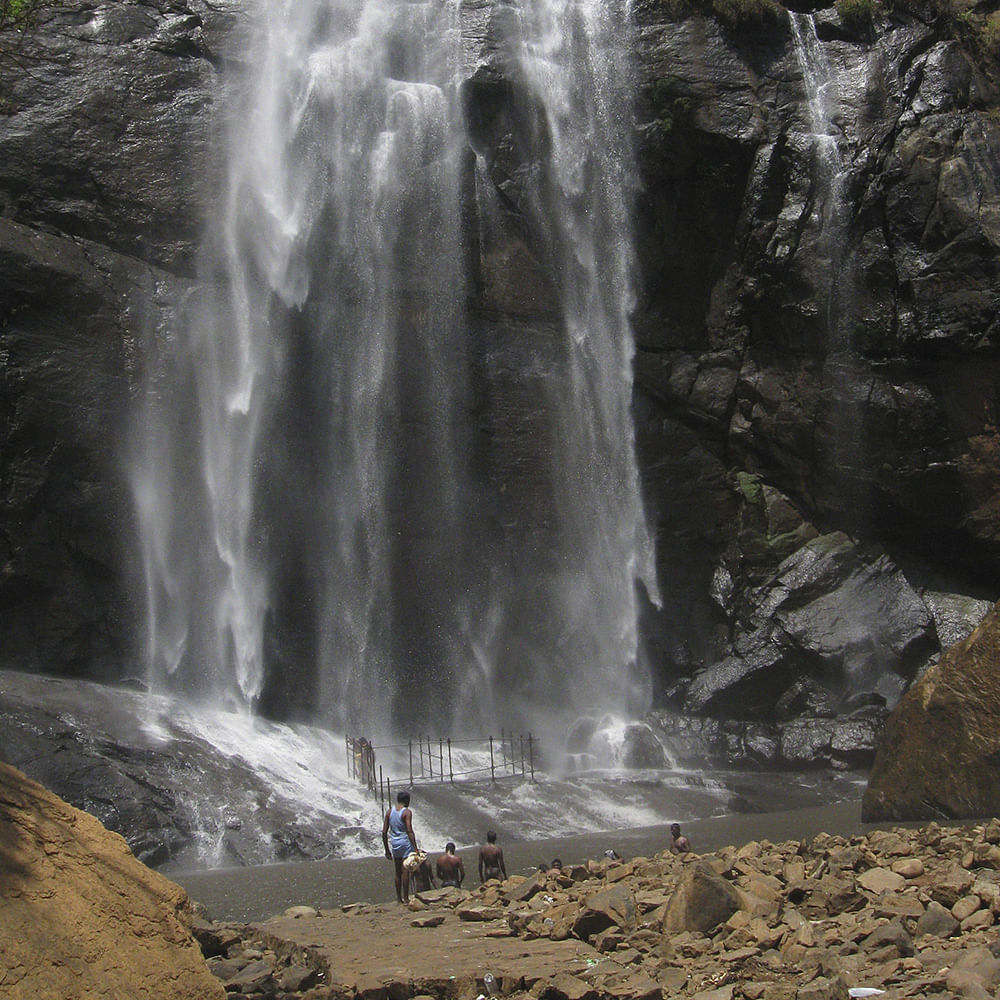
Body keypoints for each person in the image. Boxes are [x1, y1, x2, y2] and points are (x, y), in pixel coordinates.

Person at [382, 790, 418, 904]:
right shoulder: (406, 812)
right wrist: (415, 848)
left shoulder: (389, 812)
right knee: (405, 871)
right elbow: (409, 831)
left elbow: (384, 832)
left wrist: (387, 850)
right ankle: (406, 898)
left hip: (395, 844)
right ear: (407, 800)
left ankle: (398, 899)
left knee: (397, 872)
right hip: (405, 843)